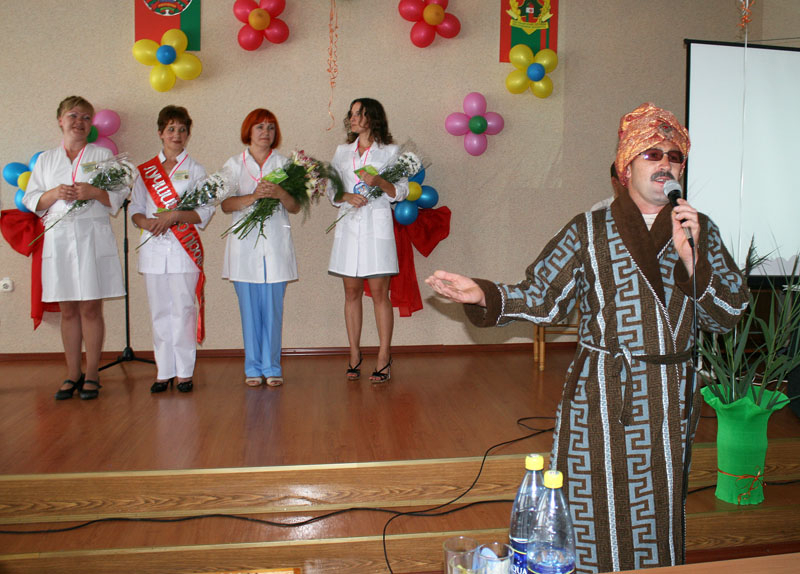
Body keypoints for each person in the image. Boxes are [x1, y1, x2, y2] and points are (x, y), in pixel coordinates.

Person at [426, 103, 750, 573]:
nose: (666, 164)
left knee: (659, 506)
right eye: (652, 154)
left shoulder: (699, 231)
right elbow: (543, 297)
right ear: (626, 167)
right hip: (602, 392)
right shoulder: (588, 231)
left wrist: (693, 261)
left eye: (675, 156)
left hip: (668, 395)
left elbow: (728, 315)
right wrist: (484, 294)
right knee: (588, 501)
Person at [22, 96, 126, 401]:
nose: (79, 122)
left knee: (91, 308)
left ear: (91, 124)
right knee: (67, 310)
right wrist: (54, 193)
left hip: (92, 236)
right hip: (59, 239)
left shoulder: (103, 155)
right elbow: (32, 200)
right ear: (60, 120)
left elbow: (119, 195)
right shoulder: (46, 160)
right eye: (73, 115)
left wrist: (93, 191)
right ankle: (72, 373)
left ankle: (92, 373)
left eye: (85, 117)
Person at [130, 106, 211, 394]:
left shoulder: (196, 170)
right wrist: (147, 223)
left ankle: (184, 372)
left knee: (184, 311)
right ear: (160, 133)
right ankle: (164, 371)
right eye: (171, 129)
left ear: (188, 134)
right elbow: (136, 209)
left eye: (182, 129)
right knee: (159, 312)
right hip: (153, 249)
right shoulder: (145, 171)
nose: (177, 134)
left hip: (183, 250)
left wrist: (175, 216)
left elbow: (204, 212)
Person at [327, 98, 409, 383]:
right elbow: (332, 190)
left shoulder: (390, 152)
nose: (353, 118)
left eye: (359, 114)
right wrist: (346, 196)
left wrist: (380, 183)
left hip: (376, 228)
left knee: (379, 294)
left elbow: (401, 191)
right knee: (351, 293)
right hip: (349, 226)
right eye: (351, 114)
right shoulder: (342, 152)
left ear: (372, 118)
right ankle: (354, 354)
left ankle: (384, 356)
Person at [220, 108, 299, 387]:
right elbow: (225, 204)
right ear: (249, 131)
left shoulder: (286, 165)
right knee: (250, 312)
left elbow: (295, 206)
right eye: (260, 127)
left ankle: (272, 367)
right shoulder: (234, 164)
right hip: (244, 249)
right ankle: (253, 367)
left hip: (275, 246)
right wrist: (253, 197)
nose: (266, 132)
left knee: (273, 311)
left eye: (271, 127)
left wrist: (280, 193)